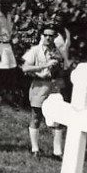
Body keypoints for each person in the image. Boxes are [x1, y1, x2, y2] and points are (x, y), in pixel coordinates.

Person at [20, 25, 68, 158]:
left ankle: (57, 152)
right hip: (39, 85)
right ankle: (35, 149)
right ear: (41, 36)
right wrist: (43, 66)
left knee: (58, 118)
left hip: (54, 87)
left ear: (55, 37)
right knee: (36, 117)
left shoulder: (58, 51)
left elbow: (63, 68)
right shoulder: (35, 50)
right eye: (45, 35)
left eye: (51, 35)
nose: (48, 38)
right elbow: (25, 68)